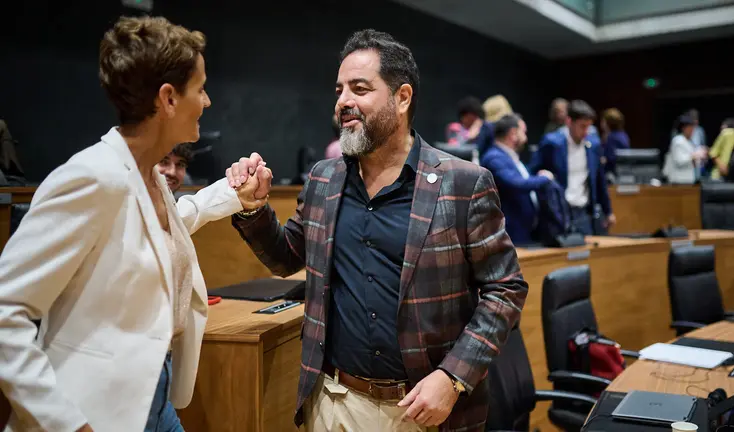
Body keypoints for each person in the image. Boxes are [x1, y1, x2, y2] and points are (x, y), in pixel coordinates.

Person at [227, 29, 528, 432]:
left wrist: (453, 377)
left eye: (360, 88)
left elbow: (505, 289)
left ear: (402, 98)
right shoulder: (324, 179)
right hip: (334, 403)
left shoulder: (463, 183)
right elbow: (288, 258)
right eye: (340, 90)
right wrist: (254, 209)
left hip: (425, 409)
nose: (343, 102)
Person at [0, 16, 265, 432]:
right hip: (88, 412)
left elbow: (175, 219)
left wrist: (236, 195)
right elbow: (5, 311)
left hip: (153, 397)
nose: (208, 101)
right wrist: (68, 424)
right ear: (168, 99)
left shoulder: (149, 176)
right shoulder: (91, 177)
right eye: (200, 88)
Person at [529, 100, 615, 235]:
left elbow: (600, 180)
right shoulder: (551, 143)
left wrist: (608, 211)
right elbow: (532, 173)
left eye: (589, 126)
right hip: (557, 214)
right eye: (582, 126)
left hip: (583, 214)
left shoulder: (594, 145)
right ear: (569, 122)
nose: (586, 132)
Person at [480, 114, 553, 245]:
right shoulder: (494, 158)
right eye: (523, 132)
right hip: (512, 233)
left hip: (525, 231)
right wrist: (544, 178)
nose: (526, 137)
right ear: (513, 134)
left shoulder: (509, 156)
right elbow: (516, 183)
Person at [663, 115, 707, 184]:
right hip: (679, 181)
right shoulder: (678, 140)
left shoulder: (689, 141)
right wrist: (695, 156)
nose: (692, 131)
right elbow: (679, 161)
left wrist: (701, 157)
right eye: (690, 128)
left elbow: (694, 162)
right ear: (684, 128)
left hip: (688, 179)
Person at [599, 108, 630, 177]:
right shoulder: (623, 134)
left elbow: (611, 158)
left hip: (612, 174)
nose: (601, 123)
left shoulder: (611, 137)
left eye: (603, 120)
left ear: (608, 123)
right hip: (623, 172)